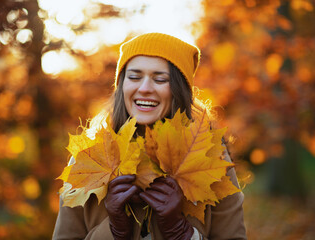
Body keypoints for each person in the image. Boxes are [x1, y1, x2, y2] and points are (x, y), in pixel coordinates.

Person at [53, 33, 247, 240]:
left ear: (179, 90)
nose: (144, 88)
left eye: (160, 79)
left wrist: (182, 234)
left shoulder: (210, 157)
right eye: (134, 77)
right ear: (121, 86)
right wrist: (114, 232)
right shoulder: (90, 157)